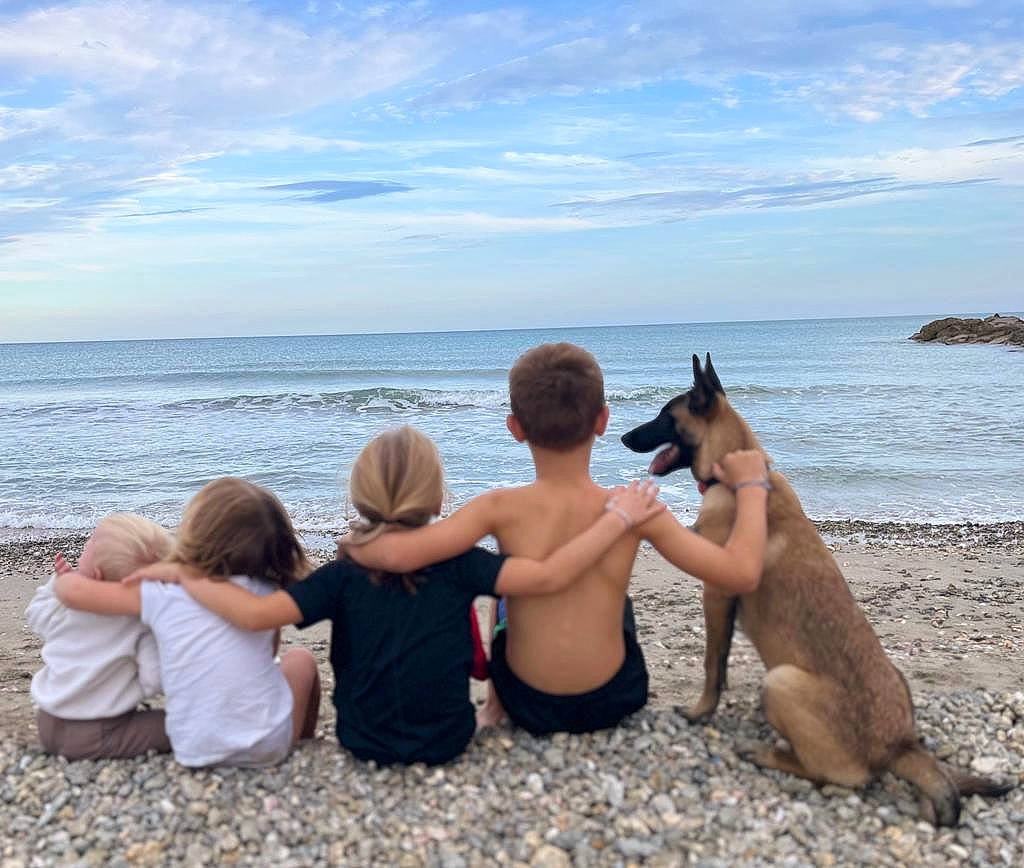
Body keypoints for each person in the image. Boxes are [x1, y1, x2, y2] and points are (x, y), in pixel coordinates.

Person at [125, 426, 663, 765]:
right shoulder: (460, 562)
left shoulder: (343, 572)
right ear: (437, 497)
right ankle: (495, 711)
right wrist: (617, 519)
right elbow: (548, 577)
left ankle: (305, 746)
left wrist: (188, 577)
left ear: (359, 496)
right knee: (507, 600)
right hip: (449, 740)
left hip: (363, 743)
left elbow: (255, 614)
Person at [351, 342, 769, 736]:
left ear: (515, 428)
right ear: (603, 421)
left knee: (503, 590)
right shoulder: (636, 509)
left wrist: (356, 543)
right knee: (616, 599)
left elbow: (399, 556)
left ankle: (492, 708)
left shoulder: (496, 508)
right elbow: (741, 574)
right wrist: (751, 486)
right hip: (613, 700)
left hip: (527, 703)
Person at [54, 478, 320, 768]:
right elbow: (267, 656)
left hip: (193, 748)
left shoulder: (162, 594)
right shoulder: (267, 594)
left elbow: (75, 594)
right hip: (266, 747)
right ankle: (303, 739)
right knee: (300, 660)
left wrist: (67, 578)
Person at [25, 514, 173, 759]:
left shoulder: (67, 609)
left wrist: (56, 586)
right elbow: (153, 680)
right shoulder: (139, 624)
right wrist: (126, 687)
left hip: (48, 723)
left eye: (85, 548)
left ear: (94, 574)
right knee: (172, 725)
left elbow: (35, 615)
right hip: (98, 733)